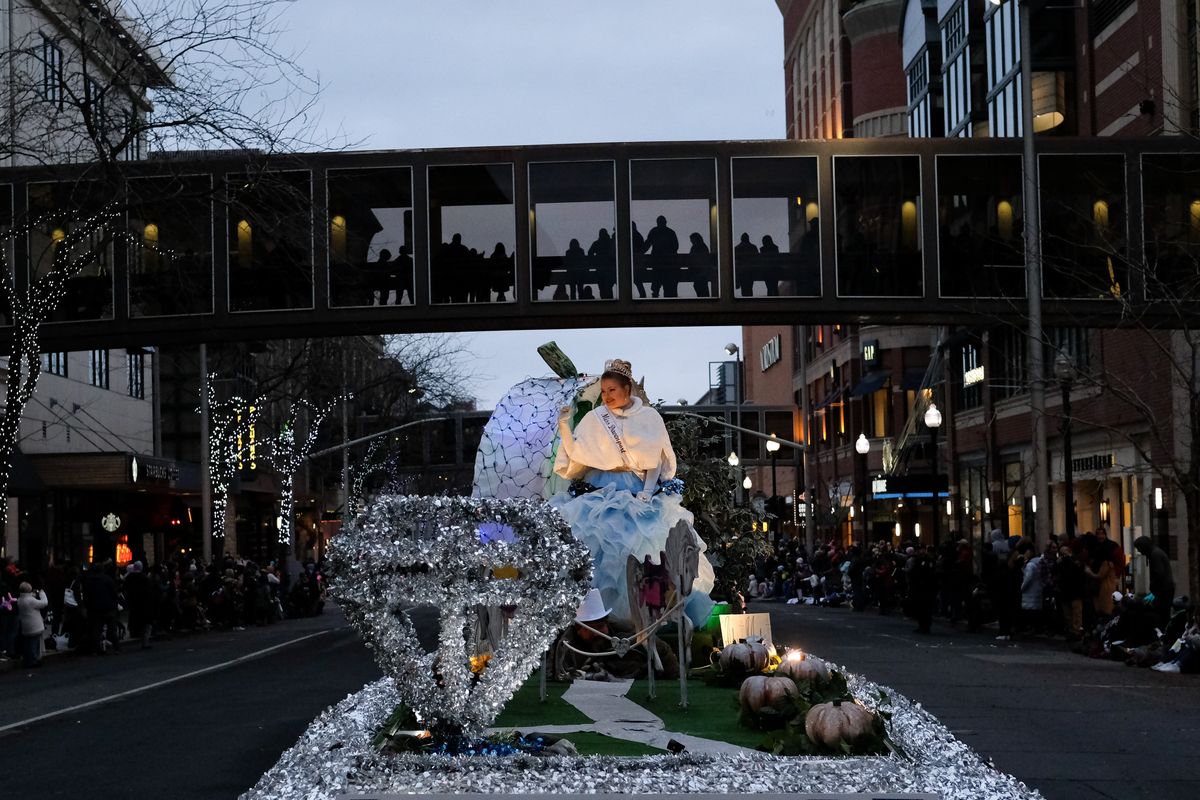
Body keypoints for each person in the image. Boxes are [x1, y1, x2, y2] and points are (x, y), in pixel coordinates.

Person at [551, 358, 715, 627]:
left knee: (646, 551)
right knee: (597, 549)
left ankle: (647, 618)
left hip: (639, 490)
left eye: (612, 390)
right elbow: (575, 455)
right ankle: (593, 621)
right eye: (603, 391)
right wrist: (564, 427)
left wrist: (648, 492)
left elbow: (655, 461)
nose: (607, 396)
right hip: (599, 489)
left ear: (627, 389)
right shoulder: (595, 419)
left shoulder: (649, 417)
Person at [552, 588, 678, 681]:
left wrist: (670, 677)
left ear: (606, 623)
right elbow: (556, 673)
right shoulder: (567, 645)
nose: (596, 633)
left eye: (600, 627)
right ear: (578, 630)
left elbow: (662, 651)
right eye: (589, 629)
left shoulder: (628, 633)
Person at [1133, 535, 1174, 626]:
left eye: (1139, 548)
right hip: (1165, 589)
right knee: (1163, 615)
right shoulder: (1156, 553)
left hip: (1163, 591)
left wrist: (1153, 587)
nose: (1139, 551)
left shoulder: (1155, 555)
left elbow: (1159, 573)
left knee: (1161, 615)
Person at [17, 582, 48, 667]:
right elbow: (44, 603)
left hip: (25, 626)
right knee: (35, 645)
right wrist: (42, 593)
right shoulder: (31, 600)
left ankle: (27, 660)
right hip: (35, 626)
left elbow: (29, 600)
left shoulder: (19, 600)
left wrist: (33, 595)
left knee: (28, 645)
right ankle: (34, 661)